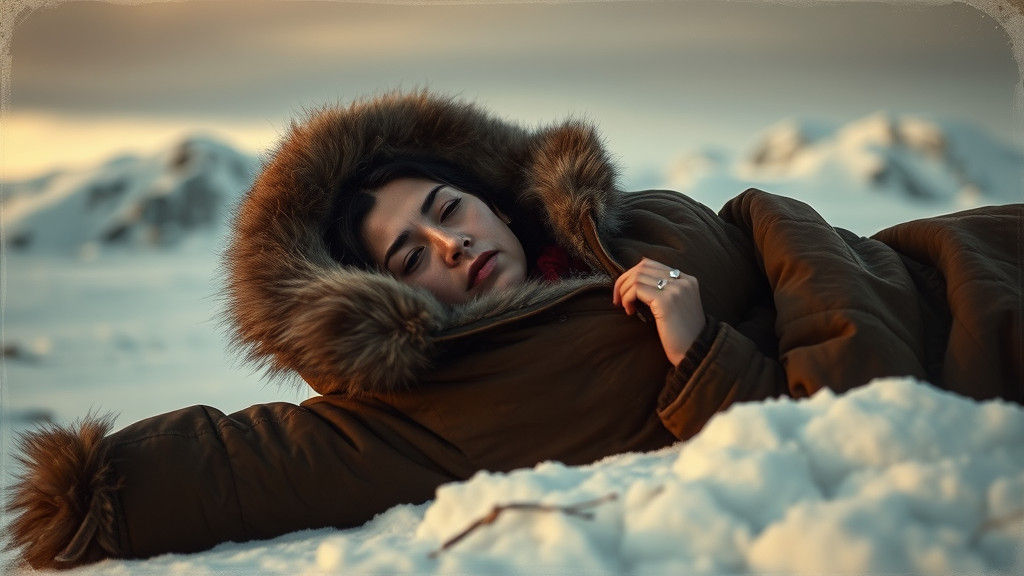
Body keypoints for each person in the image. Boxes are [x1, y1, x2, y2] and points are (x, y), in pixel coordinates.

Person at [6, 91, 1021, 569]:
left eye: (445, 212)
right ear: (387, 304)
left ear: (486, 196)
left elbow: (769, 226)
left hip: (946, 259)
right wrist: (699, 351)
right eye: (407, 259)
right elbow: (249, 463)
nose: (445, 248)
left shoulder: (614, 221)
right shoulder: (434, 404)